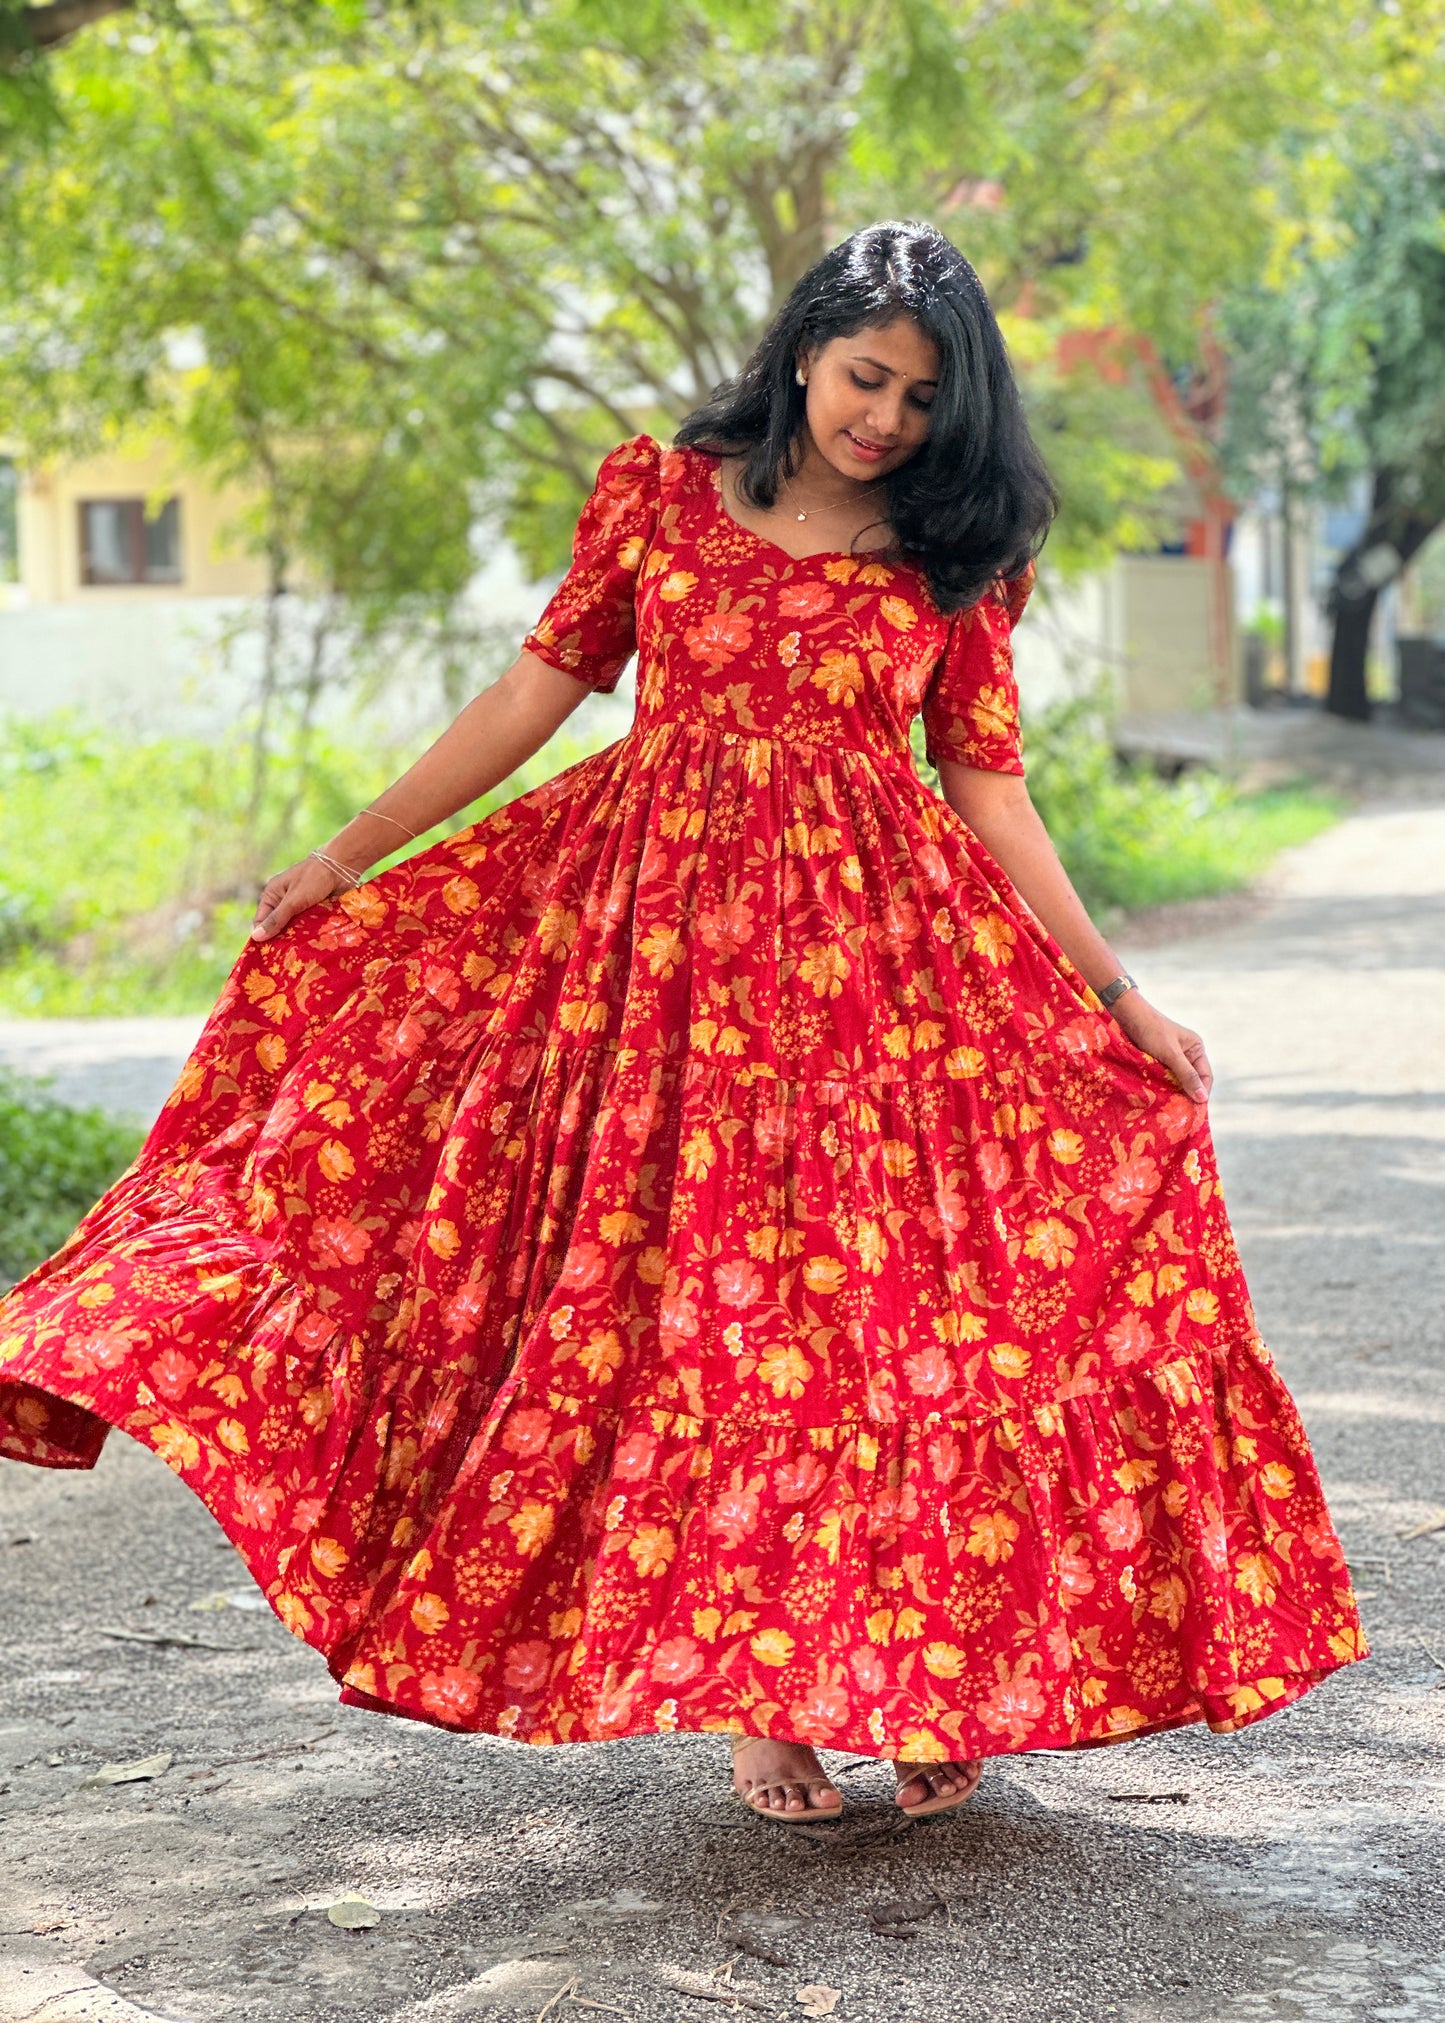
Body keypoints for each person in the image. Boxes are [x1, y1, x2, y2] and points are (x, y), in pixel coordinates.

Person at [0, 220, 1364, 1828]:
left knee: (903, 1329)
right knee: (718, 1332)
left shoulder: (950, 549)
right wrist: (351, 851)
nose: (886, 422)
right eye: (866, 379)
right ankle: (773, 1704)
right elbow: (533, 692)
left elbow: (984, 782)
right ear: (802, 351)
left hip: (884, 996)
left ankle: (927, 1673)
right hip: (654, 980)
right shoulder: (658, 489)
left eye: (924, 399)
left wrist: (1117, 996)